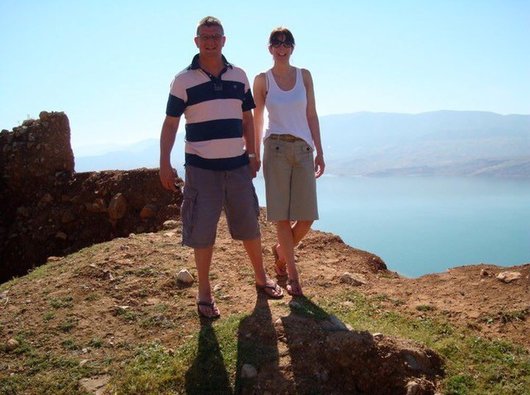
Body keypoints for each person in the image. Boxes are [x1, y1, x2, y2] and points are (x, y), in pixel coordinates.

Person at [159, 16, 283, 319]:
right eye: (205, 36)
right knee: (202, 231)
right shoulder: (183, 80)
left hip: (238, 166)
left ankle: (261, 277)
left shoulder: (239, 76)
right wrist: (164, 163)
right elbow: (171, 123)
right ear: (196, 41)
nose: (211, 41)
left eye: (216, 36)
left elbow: (246, 119)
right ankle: (204, 291)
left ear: (224, 40)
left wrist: (252, 154)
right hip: (201, 169)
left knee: (249, 224)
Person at [253, 27, 325, 296]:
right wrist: (254, 153)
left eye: (286, 43)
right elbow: (257, 119)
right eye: (276, 43)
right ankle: (293, 277)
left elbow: (312, 114)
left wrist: (319, 150)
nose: (282, 47)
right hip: (276, 148)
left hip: (304, 150)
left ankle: (281, 253)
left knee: (306, 217)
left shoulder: (304, 76)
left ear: (292, 47)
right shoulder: (262, 80)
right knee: (281, 218)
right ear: (269, 48)